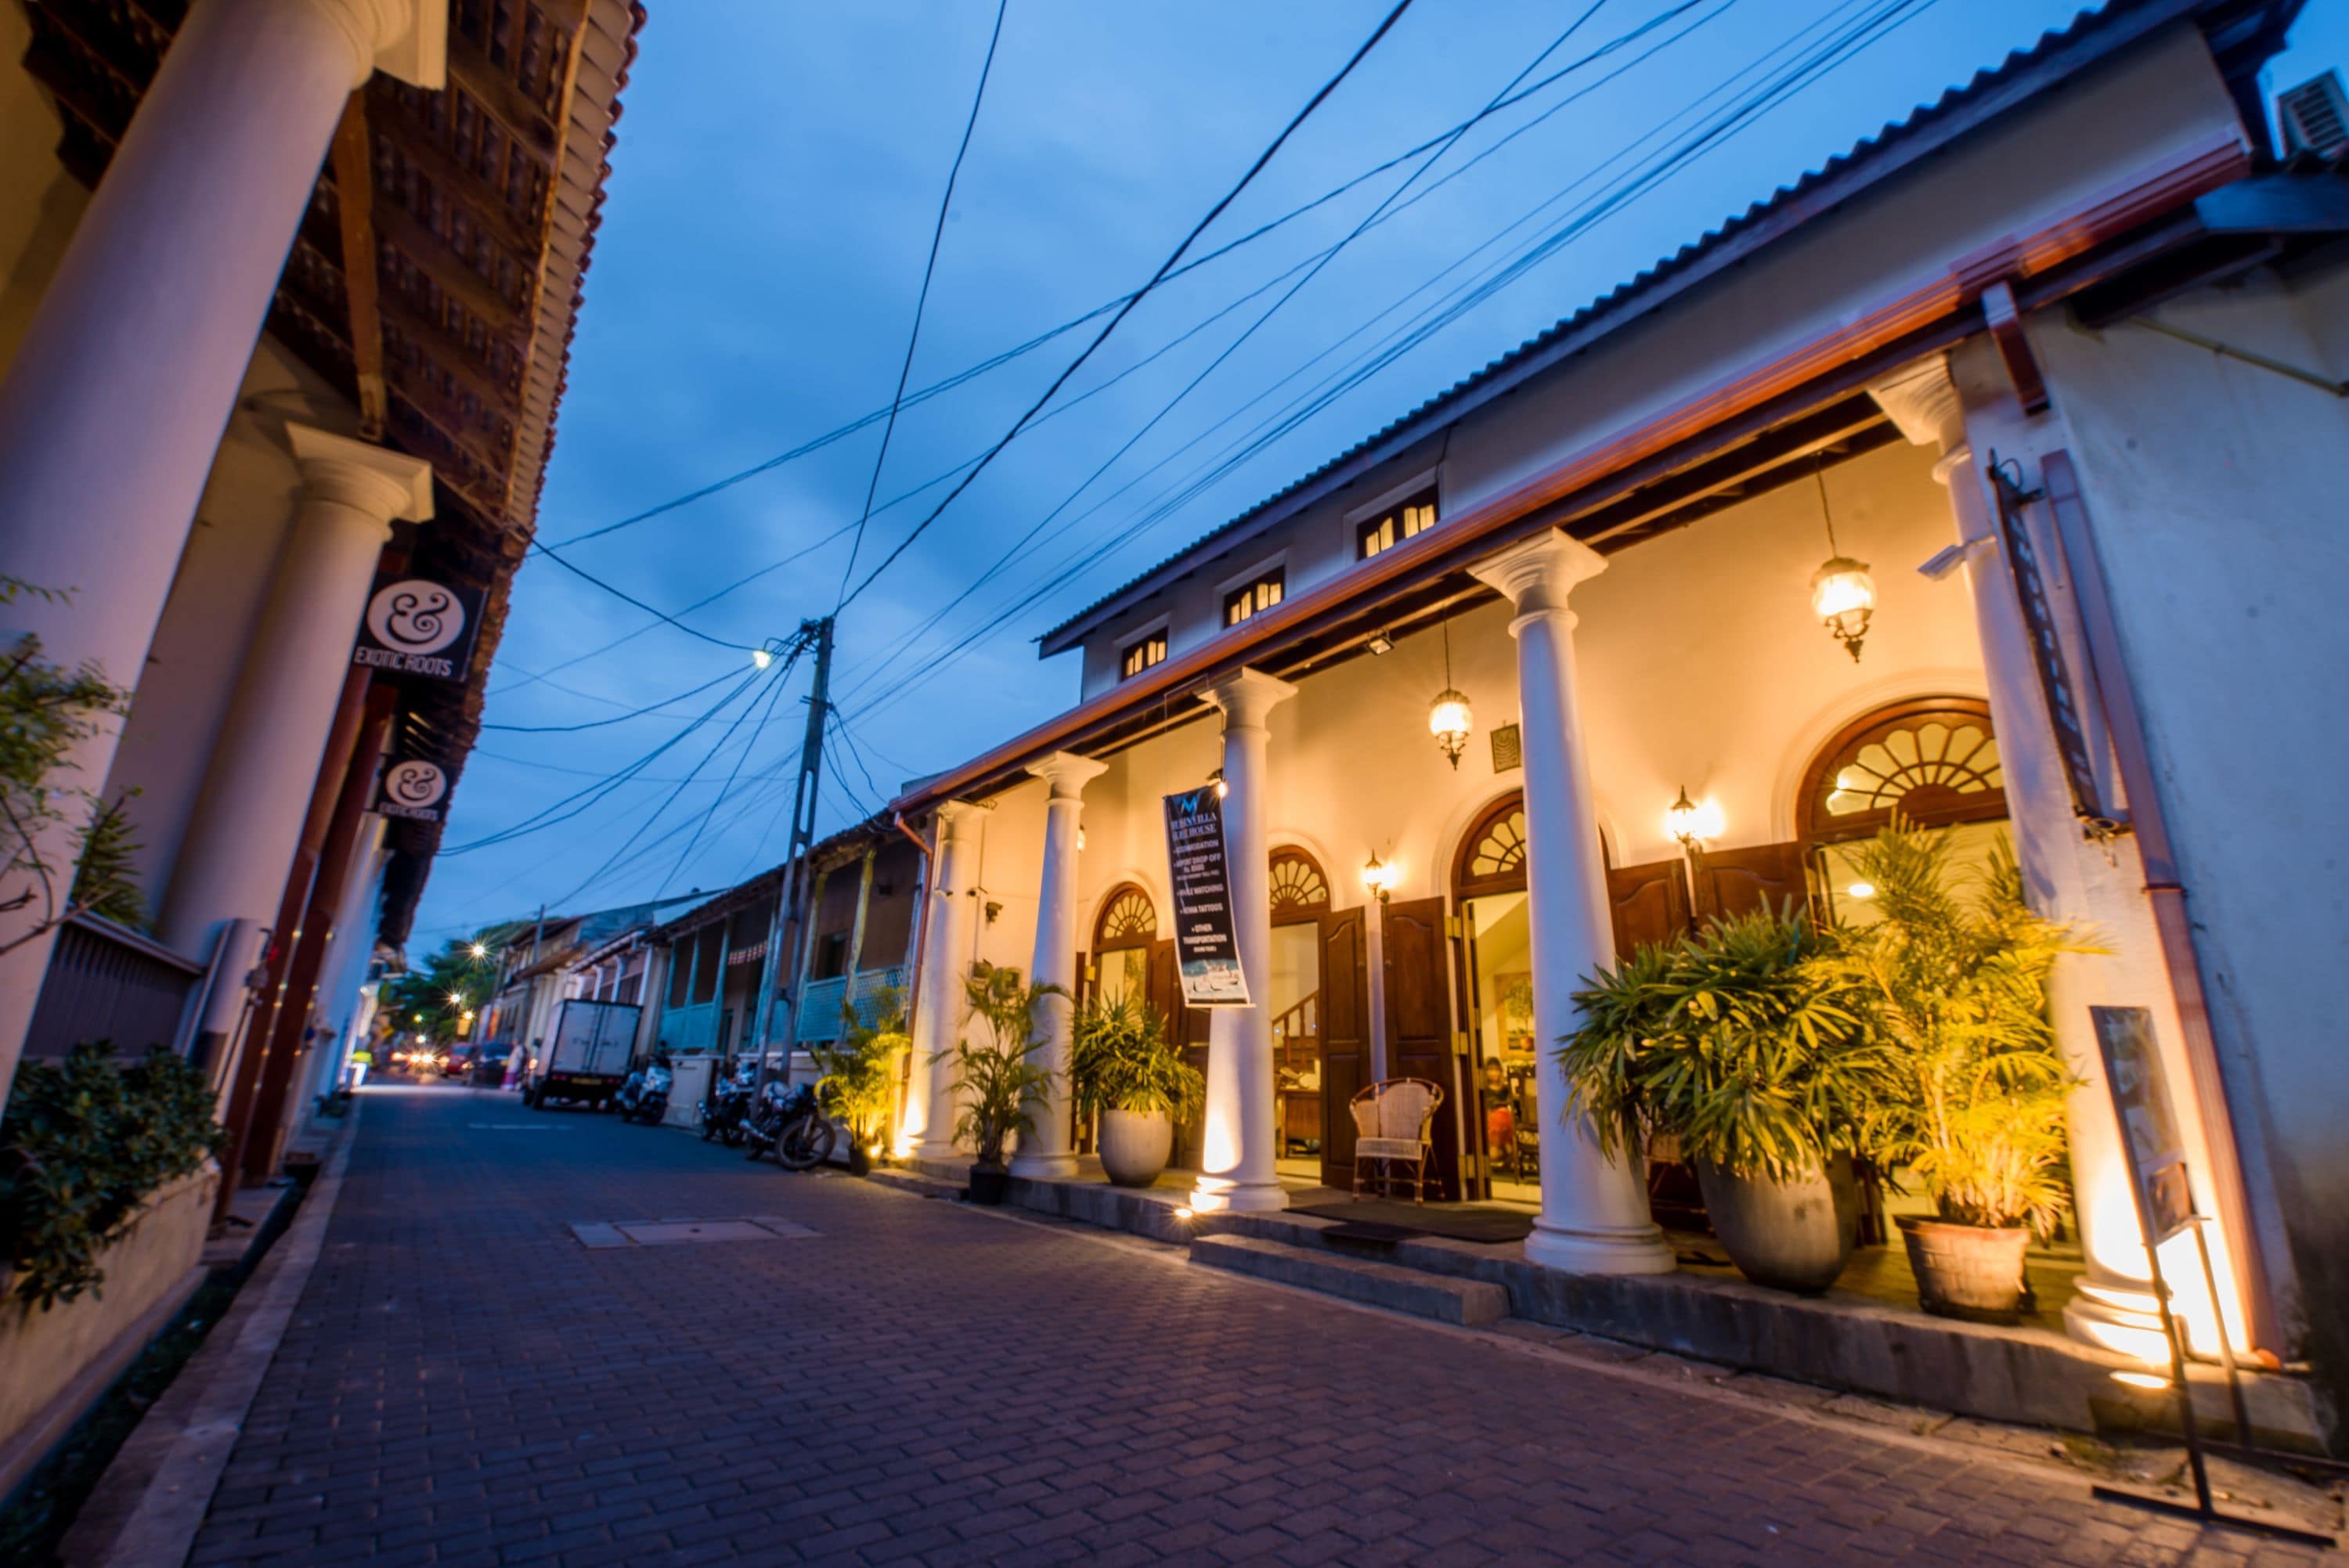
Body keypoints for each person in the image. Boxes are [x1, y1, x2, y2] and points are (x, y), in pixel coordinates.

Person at [1481, 1059, 1517, 1177]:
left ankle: (1507, 1148)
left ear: (1500, 1072)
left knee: (1504, 1113)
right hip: (1490, 1121)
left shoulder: (1505, 1089)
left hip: (1506, 1122)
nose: (1493, 1073)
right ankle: (1506, 1149)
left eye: (1496, 1070)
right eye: (1490, 1070)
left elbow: (1513, 1104)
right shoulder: (1484, 1089)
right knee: (1501, 1114)